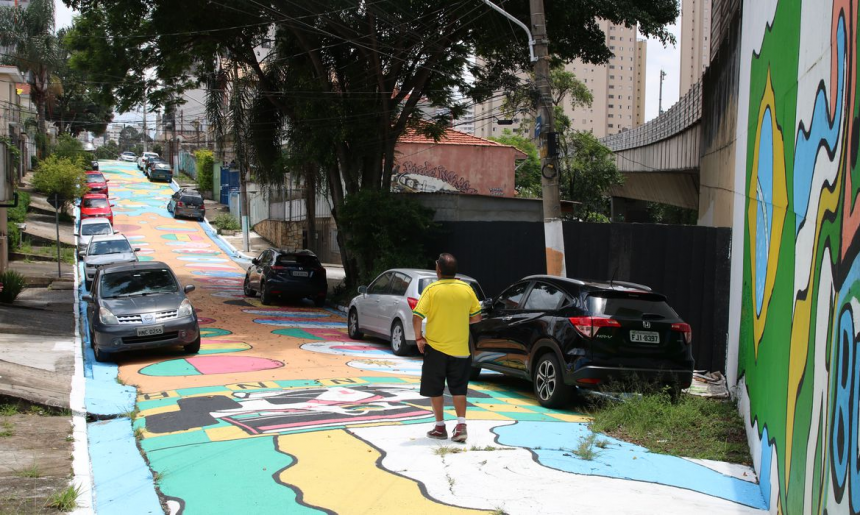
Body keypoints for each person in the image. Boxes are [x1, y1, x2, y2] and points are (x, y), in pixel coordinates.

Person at [412, 253, 482, 443]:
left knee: (435, 389)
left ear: (439, 270)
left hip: (435, 348)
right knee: (459, 389)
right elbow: (476, 318)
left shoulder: (432, 290)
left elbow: (417, 316)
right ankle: (461, 426)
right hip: (461, 349)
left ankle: (440, 427)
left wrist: (419, 338)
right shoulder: (466, 290)